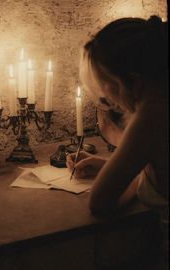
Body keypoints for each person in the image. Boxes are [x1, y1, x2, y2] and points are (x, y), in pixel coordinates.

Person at [66, 15, 168, 266]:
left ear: (132, 82)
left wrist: (120, 174)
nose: (107, 97)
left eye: (108, 85)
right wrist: (109, 165)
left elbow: (100, 202)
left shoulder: (152, 113)